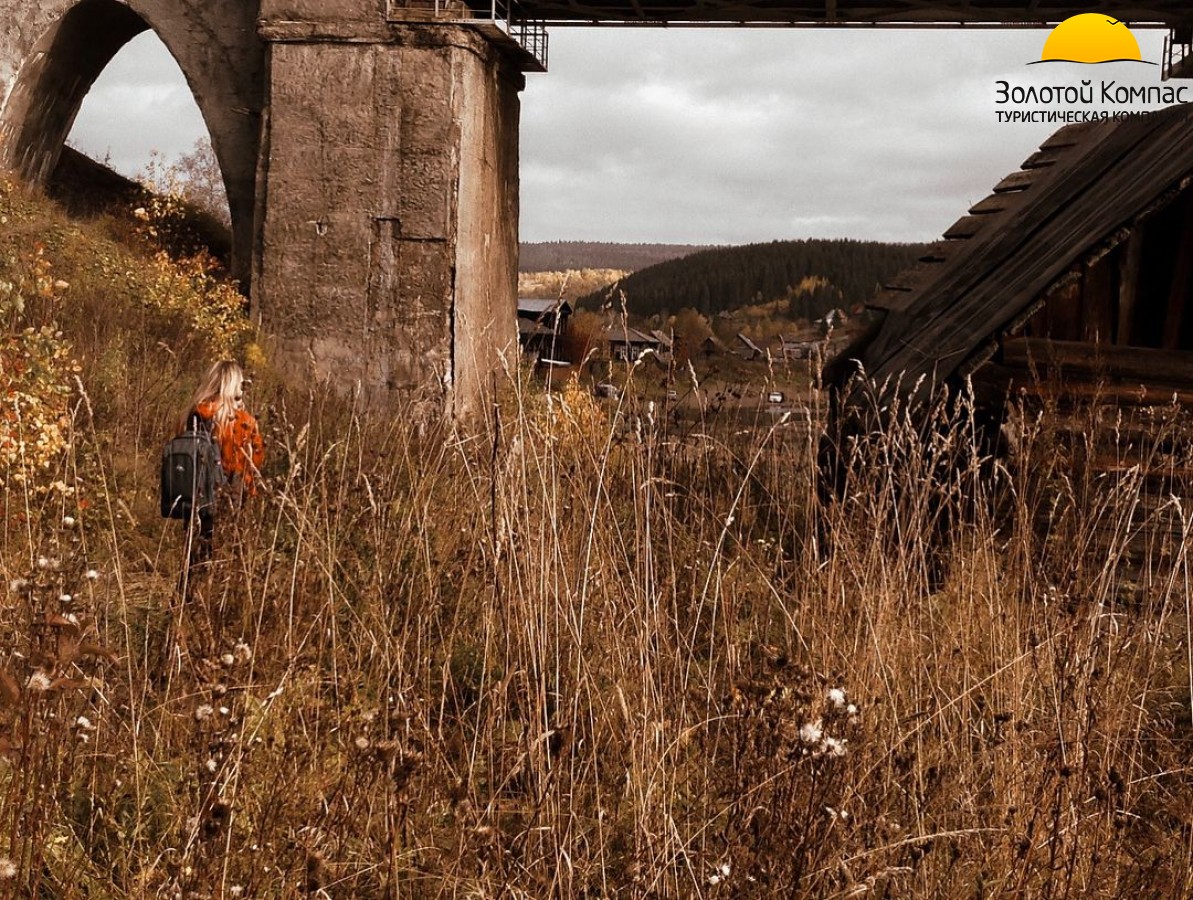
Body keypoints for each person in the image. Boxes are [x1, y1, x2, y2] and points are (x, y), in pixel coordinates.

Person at [178, 360, 264, 563]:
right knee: (220, 561)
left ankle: (185, 594)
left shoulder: (193, 415)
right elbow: (255, 461)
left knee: (193, 559)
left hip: (193, 496)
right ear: (236, 386)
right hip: (227, 500)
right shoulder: (244, 422)